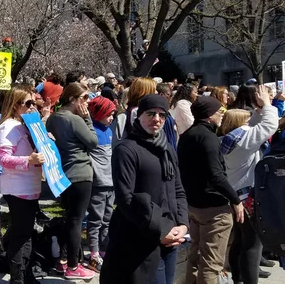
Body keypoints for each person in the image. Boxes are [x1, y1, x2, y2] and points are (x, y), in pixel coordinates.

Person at [100, 94, 189, 284]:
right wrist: (162, 230)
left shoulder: (167, 148)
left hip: (170, 236)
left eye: (161, 115)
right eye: (151, 113)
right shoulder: (127, 149)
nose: (156, 119)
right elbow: (127, 198)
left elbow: (178, 189)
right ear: (138, 116)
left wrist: (182, 224)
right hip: (139, 237)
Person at [177, 96, 243, 284]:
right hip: (214, 209)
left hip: (194, 205)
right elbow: (216, 175)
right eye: (219, 111)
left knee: (196, 256)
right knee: (211, 263)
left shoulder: (187, 135)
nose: (222, 113)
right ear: (208, 115)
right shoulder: (208, 138)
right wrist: (235, 200)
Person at [220, 85, 278, 284]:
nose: (250, 123)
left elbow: (253, 124)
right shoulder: (243, 142)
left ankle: (237, 279)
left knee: (240, 242)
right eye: (247, 121)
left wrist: (260, 110)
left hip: (236, 197)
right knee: (253, 247)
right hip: (247, 200)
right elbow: (270, 126)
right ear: (239, 124)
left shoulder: (229, 139)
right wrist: (269, 105)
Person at [46, 83, 98, 280]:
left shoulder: (53, 118)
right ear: (72, 99)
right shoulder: (76, 119)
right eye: (84, 98)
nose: (87, 102)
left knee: (70, 219)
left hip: (63, 174)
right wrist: (88, 120)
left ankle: (63, 261)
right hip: (80, 173)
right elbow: (93, 142)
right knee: (76, 221)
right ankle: (73, 267)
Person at [0, 86, 45, 284]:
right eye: (28, 103)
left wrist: (45, 143)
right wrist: (29, 159)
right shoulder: (7, 127)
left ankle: (27, 273)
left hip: (30, 186)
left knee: (27, 233)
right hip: (17, 188)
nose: (33, 107)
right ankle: (18, 278)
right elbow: (4, 159)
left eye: (34, 102)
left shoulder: (24, 124)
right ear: (15, 105)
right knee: (20, 235)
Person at [86, 96, 116, 273]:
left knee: (107, 218)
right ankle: (94, 253)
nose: (111, 117)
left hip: (110, 181)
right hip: (99, 182)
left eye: (112, 114)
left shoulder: (108, 130)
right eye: (108, 114)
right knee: (95, 220)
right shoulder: (92, 132)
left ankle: (104, 249)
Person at [112, 77, 157, 147]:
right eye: (154, 90)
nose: (156, 92)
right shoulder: (137, 112)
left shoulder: (132, 111)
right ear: (145, 92)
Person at [157, 83, 178, 150]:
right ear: (161, 95)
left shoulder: (166, 111)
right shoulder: (158, 113)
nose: (171, 98)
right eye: (169, 95)